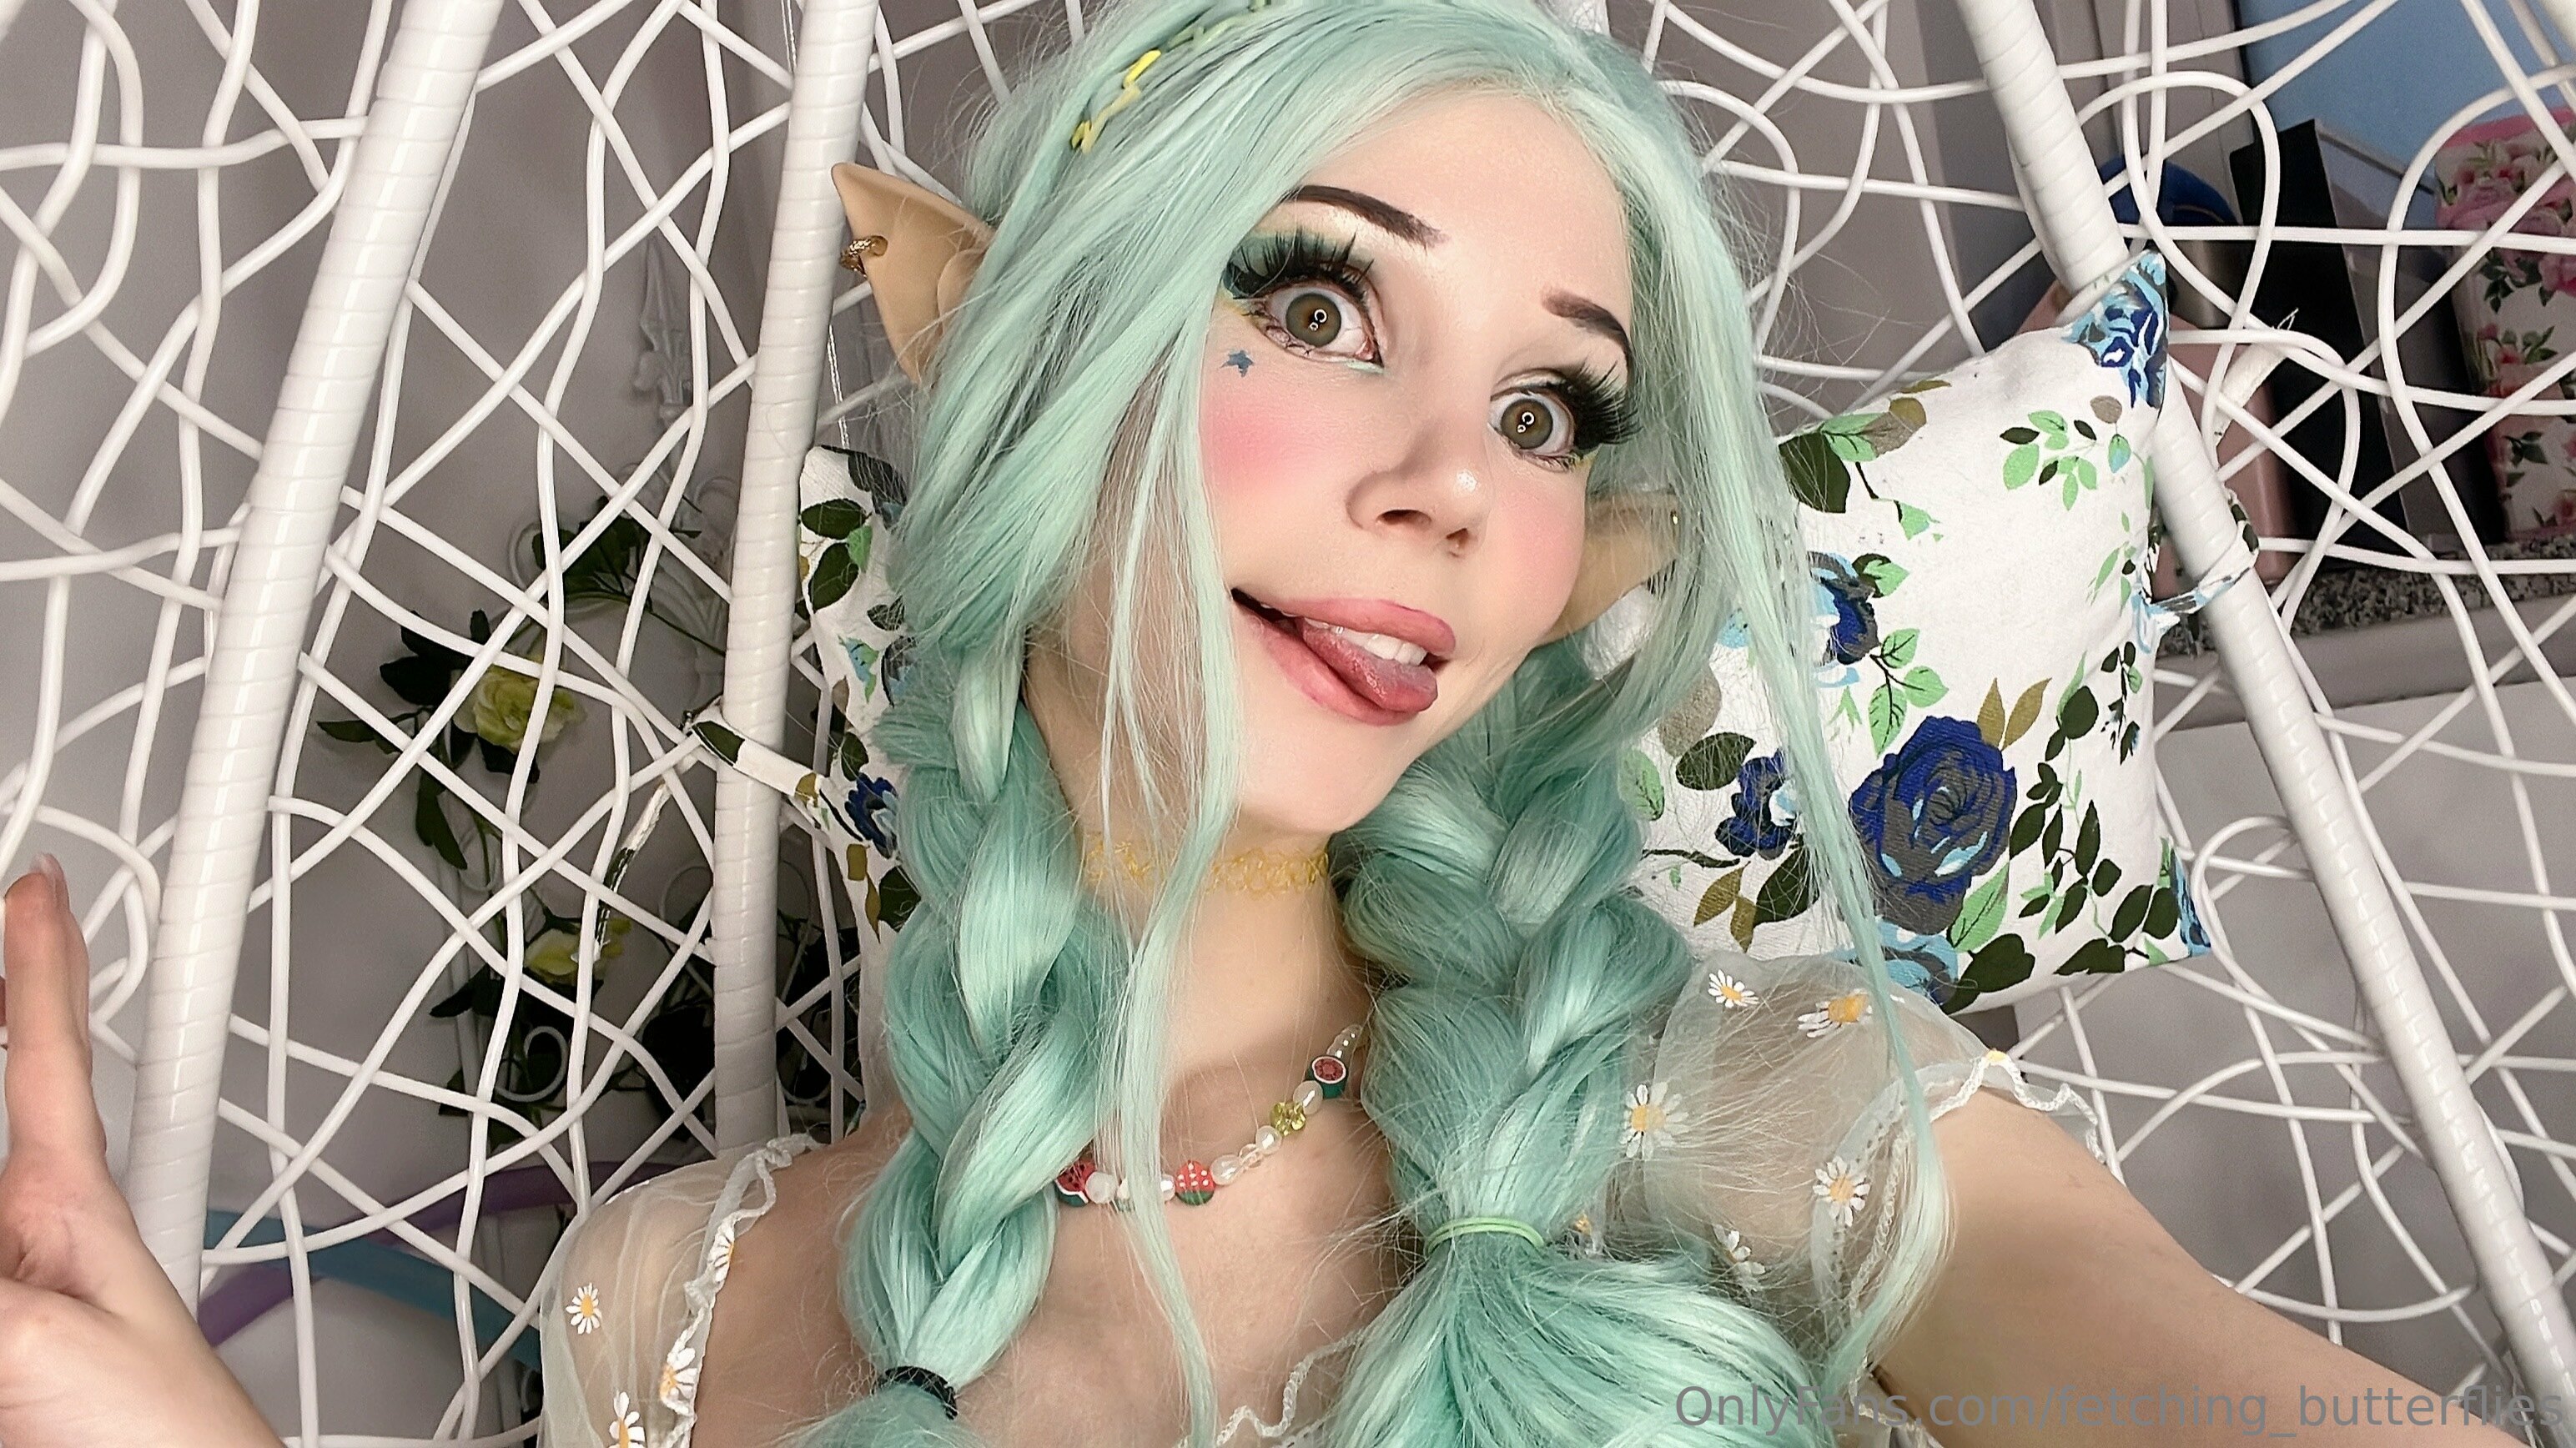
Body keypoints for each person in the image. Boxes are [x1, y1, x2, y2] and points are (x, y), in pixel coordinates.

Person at [0, 0, 2526, 1444]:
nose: (1457, 482)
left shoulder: (1751, 1124)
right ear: (1019, 355)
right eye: (1317, 306)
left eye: (1549, 412)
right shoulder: (665, 1299)